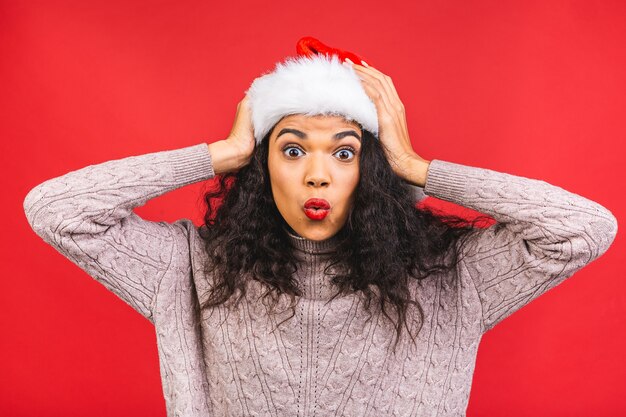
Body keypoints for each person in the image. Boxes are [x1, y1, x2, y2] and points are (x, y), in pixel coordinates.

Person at [23, 37, 618, 417]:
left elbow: (583, 229)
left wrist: (417, 167)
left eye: (343, 152)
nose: (316, 175)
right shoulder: (190, 267)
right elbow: (57, 211)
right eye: (290, 150)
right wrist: (221, 151)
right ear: (260, 170)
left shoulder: (450, 276)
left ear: (372, 169)